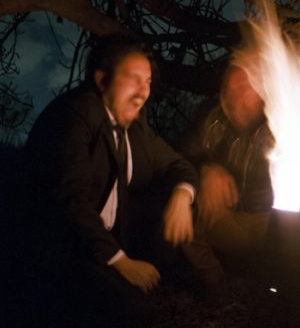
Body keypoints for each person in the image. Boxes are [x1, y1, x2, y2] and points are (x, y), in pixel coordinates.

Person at [16, 34, 197, 327]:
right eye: (133, 78)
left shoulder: (134, 128)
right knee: (136, 316)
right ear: (102, 81)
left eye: (148, 81)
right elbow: (71, 203)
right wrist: (122, 262)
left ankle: (146, 279)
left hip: (105, 243)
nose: (143, 91)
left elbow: (180, 166)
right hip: (64, 250)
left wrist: (181, 197)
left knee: (180, 196)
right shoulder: (74, 115)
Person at [180, 58, 274, 303]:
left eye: (249, 85)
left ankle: (284, 286)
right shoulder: (210, 116)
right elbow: (181, 159)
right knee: (182, 198)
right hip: (228, 219)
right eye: (234, 87)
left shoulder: (281, 119)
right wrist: (205, 169)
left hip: (273, 223)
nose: (241, 94)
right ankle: (218, 287)